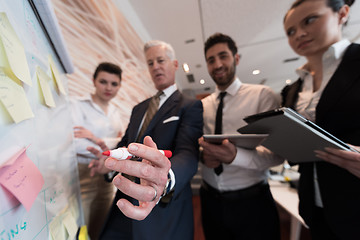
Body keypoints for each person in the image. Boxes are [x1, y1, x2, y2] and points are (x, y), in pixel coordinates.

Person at [90, 40, 203, 240]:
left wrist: (165, 178)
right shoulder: (139, 109)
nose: (155, 67)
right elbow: (126, 145)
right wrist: (106, 165)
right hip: (124, 202)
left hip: (162, 209)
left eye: (160, 60)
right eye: (150, 63)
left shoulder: (189, 106)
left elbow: (188, 153)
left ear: (175, 64)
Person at [281, 0, 360, 238]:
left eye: (310, 20)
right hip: (315, 206)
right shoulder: (293, 90)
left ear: (342, 13)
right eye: (291, 31)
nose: (299, 34)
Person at [198, 33, 284, 240]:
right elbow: (196, 145)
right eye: (211, 60)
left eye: (223, 56)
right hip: (210, 201)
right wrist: (202, 156)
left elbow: (278, 155)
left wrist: (235, 156)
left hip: (252, 203)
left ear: (236, 58)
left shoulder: (263, 96)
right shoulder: (201, 106)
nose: (217, 64)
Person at [70, 62, 124, 240]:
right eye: (103, 81)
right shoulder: (77, 105)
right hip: (82, 176)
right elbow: (74, 142)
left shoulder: (116, 113)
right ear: (94, 81)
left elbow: (121, 143)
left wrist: (95, 139)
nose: (108, 87)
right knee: (77, 232)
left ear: (119, 86)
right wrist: (110, 145)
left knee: (99, 230)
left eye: (114, 84)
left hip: (107, 179)